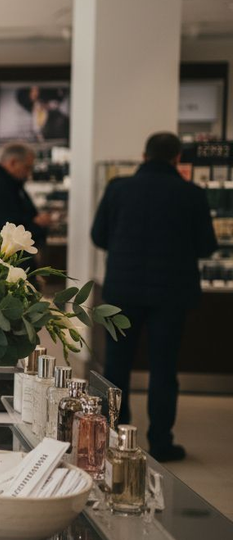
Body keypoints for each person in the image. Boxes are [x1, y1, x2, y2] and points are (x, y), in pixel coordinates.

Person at [91, 132, 217, 462]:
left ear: (144, 155)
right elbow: (207, 246)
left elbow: (98, 235)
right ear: (177, 158)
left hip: (122, 289)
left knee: (116, 365)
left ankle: (116, 434)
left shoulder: (118, 188)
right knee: (164, 368)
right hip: (171, 294)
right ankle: (161, 441)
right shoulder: (191, 194)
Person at [0, 142, 50, 249]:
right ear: (13, 162)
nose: (28, 173)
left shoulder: (4, 182)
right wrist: (36, 224)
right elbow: (7, 227)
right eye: (27, 167)